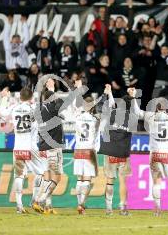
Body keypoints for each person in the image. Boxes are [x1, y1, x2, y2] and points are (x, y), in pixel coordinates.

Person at [129, 78, 168, 216]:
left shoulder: (150, 116)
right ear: (166, 107)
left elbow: (137, 111)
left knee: (156, 181)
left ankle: (157, 209)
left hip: (155, 154)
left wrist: (133, 97)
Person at [32, 77, 83, 214]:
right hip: (53, 146)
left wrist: (51, 89)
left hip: (43, 145)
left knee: (48, 175)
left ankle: (46, 205)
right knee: (57, 176)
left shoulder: (40, 109)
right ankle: (39, 200)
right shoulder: (52, 106)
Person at [0, 87, 45, 214]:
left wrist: (4, 98)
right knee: (40, 173)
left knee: (19, 176)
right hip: (31, 147)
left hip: (18, 147)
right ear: (31, 98)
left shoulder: (14, 108)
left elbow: (1, 112)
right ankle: (34, 200)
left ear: (20, 97)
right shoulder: (34, 109)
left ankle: (19, 205)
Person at [99, 85, 136, 216]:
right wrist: (133, 96)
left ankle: (109, 209)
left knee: (109, 180)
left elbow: (108, 106)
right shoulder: (132, 118)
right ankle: (123, 208)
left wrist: (109, 93)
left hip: (109, 150)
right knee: (122, 181)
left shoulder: (112, 112)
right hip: (123, 153)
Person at [72, 81, 102, 215]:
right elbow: (97, 137)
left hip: (78, 150)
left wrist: (78, 89)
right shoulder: (96, 119)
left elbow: (74, 104)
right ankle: (81, 204)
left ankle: (80, 205)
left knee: (79, 179)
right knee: (87, 179)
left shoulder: (78, 116)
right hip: (89, 150)